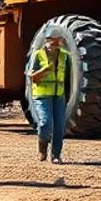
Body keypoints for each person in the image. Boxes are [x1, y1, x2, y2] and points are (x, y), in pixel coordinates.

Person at [27, 32, 69, 163]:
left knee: (59, 126)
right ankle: (42, 148)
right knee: (45, 123)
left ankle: (56, 155)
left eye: (58, 42)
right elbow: (30, 74)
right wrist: (44, 70)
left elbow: (69, 77)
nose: (56, 44)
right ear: (48, 41)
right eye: (53, 42)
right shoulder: (38, 54)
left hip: (59, 95)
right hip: (42, 95)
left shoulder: (64, 56)